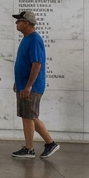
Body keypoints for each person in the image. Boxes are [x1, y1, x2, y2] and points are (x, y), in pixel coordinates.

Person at [11, 11, 59, 159]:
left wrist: (28, 86)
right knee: (31, 116)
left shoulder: (34, 39)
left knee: (27, 117)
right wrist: (18, 83)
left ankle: (29, 149)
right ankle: (50, 144)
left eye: (19, 20)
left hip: (31, 87)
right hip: (24, 85)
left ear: (27, 22)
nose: (16, 23)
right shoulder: (26, 39)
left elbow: (37, 64)